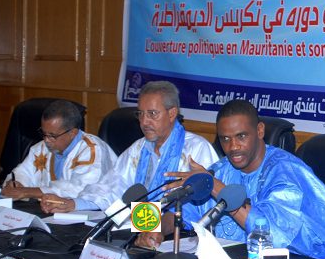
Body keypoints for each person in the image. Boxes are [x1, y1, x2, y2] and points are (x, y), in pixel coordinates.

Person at [139, 99, 325, 259]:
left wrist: (216, 187)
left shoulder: (284, 171)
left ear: (260, 131)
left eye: (241, 136)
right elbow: (184, 212)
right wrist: (157, 228)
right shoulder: (222, 169)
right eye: (225, 139)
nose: (233, 147)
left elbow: (269, 233)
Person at [44, 81, 218, 213]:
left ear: (172, 113)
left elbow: (203, 206)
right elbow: (111, 187)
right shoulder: (138, 149)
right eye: (140, 114)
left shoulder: (196, 149)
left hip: (178, 235)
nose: (144, 122)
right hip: (140, 227)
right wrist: (74, 204)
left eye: (152, 114)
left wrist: (159, 226)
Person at [1, 100, 116, 212]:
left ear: (73, 133)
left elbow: (80, 188)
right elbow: (24, 172)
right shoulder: (41, 147)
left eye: (52, 135)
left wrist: (27, 192)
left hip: (86, 213)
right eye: (44, 133)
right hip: (48, 210)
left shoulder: (92, 150)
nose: (46, 140)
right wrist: (17, 184)